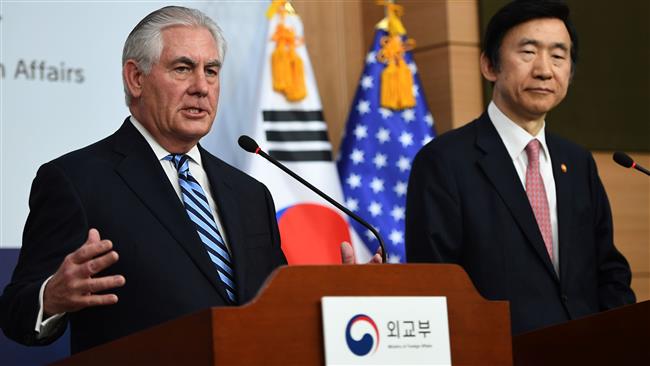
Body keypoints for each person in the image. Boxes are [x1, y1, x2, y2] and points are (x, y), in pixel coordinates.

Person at [0, 6, 379, 354]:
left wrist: (334, 297)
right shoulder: (77, 180)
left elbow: (268, 304)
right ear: (136, 78)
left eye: (211, 71)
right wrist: (50, 297)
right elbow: (17, 312)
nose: (202, 86)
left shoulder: (249, 192)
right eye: (183, 68)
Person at [405, 0, 635, 335]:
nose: (545, 69)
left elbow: (609, 270)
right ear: (489, 65)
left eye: (558, 56)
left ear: (570, 72)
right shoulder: (444, 162)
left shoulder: (578, 162)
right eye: (528, 52)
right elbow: (435, 284)